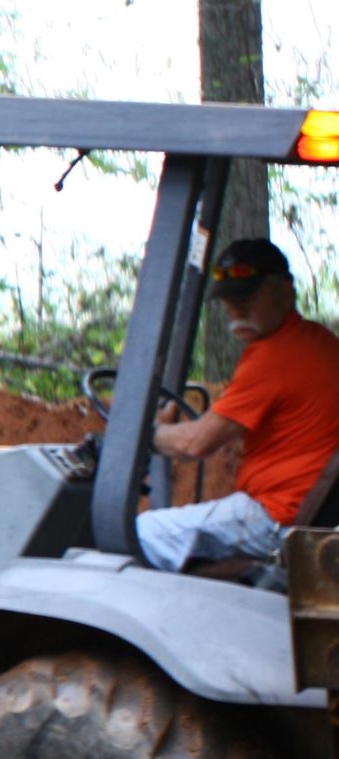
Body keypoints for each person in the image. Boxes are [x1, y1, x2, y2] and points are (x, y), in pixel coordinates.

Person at [138, 238, 339, 572]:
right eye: (229, 300)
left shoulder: (276, 356)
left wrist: (142, 434)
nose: (235, 309)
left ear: (285, 292)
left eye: (246, 297)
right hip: (306, 513)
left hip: (274, 518)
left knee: (138, 534)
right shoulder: (318, 344)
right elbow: (229, 424)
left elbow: (195, 442)